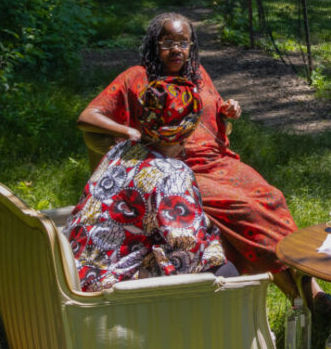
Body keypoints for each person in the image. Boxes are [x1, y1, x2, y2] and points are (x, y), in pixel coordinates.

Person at [78, 13, 331, 314]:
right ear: (154, 45)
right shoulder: (136, 77)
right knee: (246, 209)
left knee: (272, 198)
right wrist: (128, 131)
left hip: (218, 161)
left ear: (192, 46)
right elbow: (87, 117)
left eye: (183, 43)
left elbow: (213, 118)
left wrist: (228, 111)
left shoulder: (197, 73)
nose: (176, 49)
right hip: (177, 167)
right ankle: (308, 297)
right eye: (168, 42)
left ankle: (307, 295)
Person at [66, 76, 230, 292]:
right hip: (104, 287)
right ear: (188, 130)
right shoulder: (172, 174)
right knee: (225, 272)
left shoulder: (122, 149)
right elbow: (187, 255)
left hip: (74, 267)